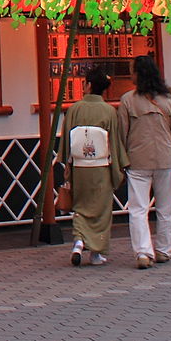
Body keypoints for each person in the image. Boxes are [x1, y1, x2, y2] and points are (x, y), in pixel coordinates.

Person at [117, 54, 171, 269]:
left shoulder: (127, 100)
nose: (130, 74)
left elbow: (122, 134)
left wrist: (122, 160)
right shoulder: (169, 100)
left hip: (137, 160)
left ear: (139, 74)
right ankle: (164, 249)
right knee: (165, 208)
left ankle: (143, 252)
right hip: (165, 158)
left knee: (138, 209)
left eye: (132, 70)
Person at [63, 66, 126, 267]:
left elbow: (66, 142)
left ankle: (79, 241)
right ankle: (96, 253)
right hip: (101, 167)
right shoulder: (109, 111)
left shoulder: (75, 109)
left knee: (80, 206)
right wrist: (119, 167)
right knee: (101, 210)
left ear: (88, 85)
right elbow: (114, 143)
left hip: (80, 166)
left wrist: (67, 164)